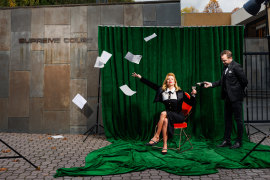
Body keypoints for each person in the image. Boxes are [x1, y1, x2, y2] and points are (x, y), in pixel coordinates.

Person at [132, 72, 196, 155]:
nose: (170, 80)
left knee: (163, 113)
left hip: (179, 116)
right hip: (168, 116)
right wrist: (140, 77)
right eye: (168, 79)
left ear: (175, 82)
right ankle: (165, 146)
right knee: (165, 120)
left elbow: (191, 103)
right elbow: (151, 85)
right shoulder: (162, 91)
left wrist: (193, 95)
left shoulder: (180, 93)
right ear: (166, 82)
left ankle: (156, 136)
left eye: (172, 79)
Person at [204, 50, 248, 149]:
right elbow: (222, 81)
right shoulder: (225, 67)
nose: (223, 62)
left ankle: (239, 142)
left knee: (238, 120)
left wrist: (236, 91)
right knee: (227, 120)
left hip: (236, 98)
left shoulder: (236, 66)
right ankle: (226, 140)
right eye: (222, 61)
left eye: (224, 60)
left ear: (230, 58)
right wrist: (211, 84)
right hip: (227, 98)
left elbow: (244, 81)